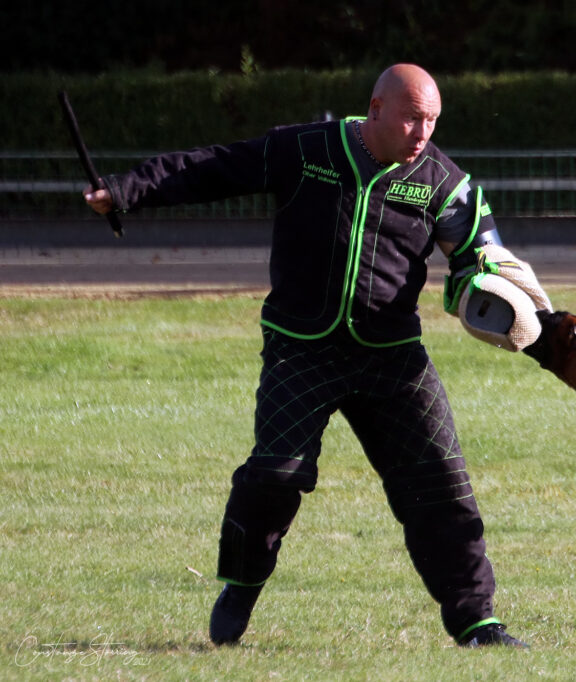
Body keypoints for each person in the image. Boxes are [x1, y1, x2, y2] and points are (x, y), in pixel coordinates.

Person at [84, 63, 546, 648]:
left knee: (441, 485)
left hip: (392, 359)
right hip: (301, 349)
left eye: (431, 120)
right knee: (273, 479)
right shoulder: (304, 149)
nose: (422, 132)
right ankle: (242, 585)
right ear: (376, 108)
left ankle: (476, 620)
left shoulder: (445, 184)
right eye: (411, 117)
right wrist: (126, 190)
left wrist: (485, 288)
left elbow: (479, 256)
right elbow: (212, 168)